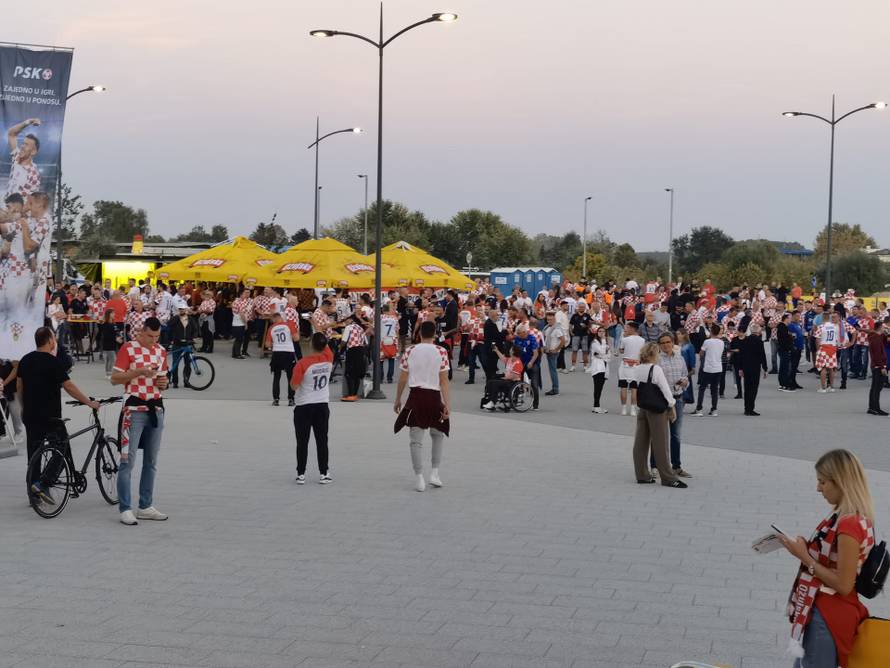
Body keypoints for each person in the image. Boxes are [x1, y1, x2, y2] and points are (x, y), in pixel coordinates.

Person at [779, 449, 876, 668]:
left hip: (831, 613)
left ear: (841, 482)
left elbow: (843, 584)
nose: (818, 488)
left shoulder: (848, 524)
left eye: (823, 482)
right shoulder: (850, 516)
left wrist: (804, 557)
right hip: (829, 610)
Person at [17, 327, 99, 504]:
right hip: (50, 416)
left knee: (34, 454)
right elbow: (69, 387)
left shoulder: (25, 360)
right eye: (53, 338)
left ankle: (33, 496)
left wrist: (23, 408)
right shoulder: (53, 362)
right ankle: (43, 483)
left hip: (30, 415)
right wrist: (89, 402)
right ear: (49, 341)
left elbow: (19, 387)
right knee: (61, 449)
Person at [110, 317, 169, 525]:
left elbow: (163, 380)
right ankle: (125, 508)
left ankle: (145, 505)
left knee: (151, 461)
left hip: (155, 407)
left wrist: (164, 382)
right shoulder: (128, 348)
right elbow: (115, 379)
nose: (153, 340)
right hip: (133, 410)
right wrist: (138, 372)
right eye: (150, 336)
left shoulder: (161, 351)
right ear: (141, 332)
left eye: (157, 336)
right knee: (127, 461)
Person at [394, 320, 450, 492]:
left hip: (416, 396)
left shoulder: (410, 350)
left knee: (415, 441)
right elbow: (444, 381)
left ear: (419, 334)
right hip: (434, 396)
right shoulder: (441, 351)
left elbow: (403, 378)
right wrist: (447, 404)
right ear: (434, 334)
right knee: (438, 435)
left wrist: (398, 399)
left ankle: (419, 478)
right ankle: (435, 472)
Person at [630, 343, 686, 488]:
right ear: (655, 355)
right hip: (657, 410)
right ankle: (667, 477)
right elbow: (665, 390)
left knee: (640, 442)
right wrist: (672, 405)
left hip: (643, 408)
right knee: (661, 443)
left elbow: (634, 387)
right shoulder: (656, 369)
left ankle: (641, 474)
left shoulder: (637, 368)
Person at [290, 332, 334, 484]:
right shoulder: (329, 359)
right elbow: (325, 345)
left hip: (304, 405)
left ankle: (301, 473)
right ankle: (324, 472)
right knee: (322, 440)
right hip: (322, 404)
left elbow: (294, 386)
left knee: (302, 441)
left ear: (310, 345)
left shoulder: (302, 363)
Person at [654, 332, 692, 478]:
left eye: (668, 342)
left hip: (677, 399)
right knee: (659, 435)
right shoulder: (657, 360)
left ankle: (676, 466)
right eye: (662, 343)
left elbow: (685, 375)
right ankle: (655, 466)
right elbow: (655, 380)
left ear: (672, 342)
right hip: (662, 400)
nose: (666, 345)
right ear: (659, 345)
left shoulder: (680, 358)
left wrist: (684, 382)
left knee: (676, 435)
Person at [266, 311, 298, 407]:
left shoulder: (271, 328)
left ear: (274, 319)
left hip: (277, 353)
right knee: (290, 377)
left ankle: (276, 399)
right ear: (281, 317)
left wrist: (273, 345)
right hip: (288, 352)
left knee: (276, 377)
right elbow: (296, 338)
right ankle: (291, 399)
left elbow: (267, 344)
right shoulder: (289, 325)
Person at [737, 323, 769, 416]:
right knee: (753, 388)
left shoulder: (745, 340)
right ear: (758, 331)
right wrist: (765, 368)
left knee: (747, 388)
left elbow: (741, 355)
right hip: (755, 368)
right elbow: (762, 355)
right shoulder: (759, 341)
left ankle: (746, 408)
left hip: (746, 367)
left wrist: (740, 368)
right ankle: (751, 409)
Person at [693, 324, 724, 417]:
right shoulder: (721, 342)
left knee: (702, 389)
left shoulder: (707, 342)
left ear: (711, 332)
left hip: (707, 368)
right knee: (714, 389)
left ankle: (699, 409)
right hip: (718, 367)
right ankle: (714, 409)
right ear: (719, 332)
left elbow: (701, 353)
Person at [167, 305, 200, 388]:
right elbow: (169, 325)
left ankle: (186, 381)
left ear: (186, 310)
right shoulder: (175, 318)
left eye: (183, 309)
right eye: (180, 309)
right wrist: (176, 316)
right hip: (177, 343)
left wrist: (194, 337)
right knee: (175, 363)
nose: (181, 310)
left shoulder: (190, 319)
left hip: (187, 344)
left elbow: (195, 329)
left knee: (188, 364)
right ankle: (175, 382)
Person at [341, 314, 370, 402]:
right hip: (361, 351)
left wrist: (340, 348)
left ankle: (350, 394)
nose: (345, 322)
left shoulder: (348, 328)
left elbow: (344, 341)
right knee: (357, 373)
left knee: (349, 373)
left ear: (350, 319)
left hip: (352, 351)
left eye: (346, 320)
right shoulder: (361, 328)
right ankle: (355, 394)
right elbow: (366, 342)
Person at [618, 321, 645, 416]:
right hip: (636, 364)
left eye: (627, 328)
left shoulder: (625, 339)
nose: (626, 329)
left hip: (625, 363)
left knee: (623, 387)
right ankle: (633, 408)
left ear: (632, 329)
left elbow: (621, 350)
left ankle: (624, 408)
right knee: (634, 388)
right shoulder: (642, 340)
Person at [513, 324, 540, 410]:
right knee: (516, 381)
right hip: (521, 363)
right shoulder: (517, 339)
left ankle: (535, 405)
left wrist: (531, 362)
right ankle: (515, 400)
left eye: (519, 333)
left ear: (524, 332)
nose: (518, 335)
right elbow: (514, 352)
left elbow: (536, 353)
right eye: (517, 333)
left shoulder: (531, 338)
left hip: (532, 362)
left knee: (534, 384)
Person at [866, 317, 889, 416]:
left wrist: (885, 333)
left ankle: (872, 407)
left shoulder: (876, 337)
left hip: (877, 365)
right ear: (879, 328)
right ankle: (875, 408)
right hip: (877, 366)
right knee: (876, 387)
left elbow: (885, 340)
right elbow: (877, 354)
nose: (885, 329)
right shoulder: (875, 340)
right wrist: (882, 367)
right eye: (883, 327)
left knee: (875, 387)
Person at [541, 311, 566, 396]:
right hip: (548, 351)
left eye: (551, 320)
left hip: (553, 352)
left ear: (554, 319)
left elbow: (563, 340)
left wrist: (556, 349)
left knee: (553, 371)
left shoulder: (557, 329)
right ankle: (555, 388)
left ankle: (555, 389)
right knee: (552, 370)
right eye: (548, 320)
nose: (549, 321)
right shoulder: (547, 327)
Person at [588, 326, 609, 413]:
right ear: (597, 333)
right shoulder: (595, 342)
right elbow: (601, 352)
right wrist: (604, 354)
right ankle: (596, 406)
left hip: (604, 366)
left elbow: (609, 355)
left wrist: (603, 355)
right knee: (597, 387)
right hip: (597, 367)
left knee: (600, 387)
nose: (601, 333)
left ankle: (596, 405)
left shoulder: (605, 343)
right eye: (600, 331)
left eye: (603, 331)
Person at [98, 308, 122, 378]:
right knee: (112, 359)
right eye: (112, 313)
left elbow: (116, 332)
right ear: (109, 314)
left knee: (109, 359)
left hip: (114, 344)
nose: (114, 314)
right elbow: (106, 335)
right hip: (108, 344)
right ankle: (109, 373)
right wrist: (115, 338)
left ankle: (108, 373)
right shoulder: (105, 324)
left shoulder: (113, 324)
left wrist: (119, 337)